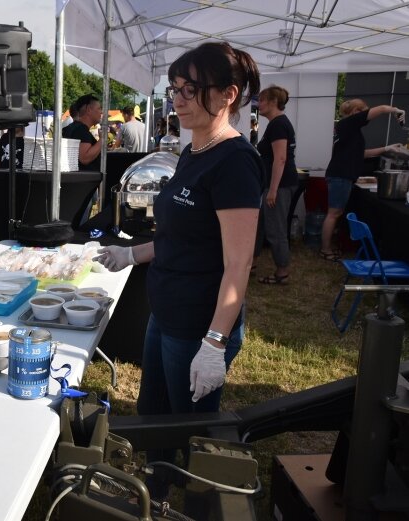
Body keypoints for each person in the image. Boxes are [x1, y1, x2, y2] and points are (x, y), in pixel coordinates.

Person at [94, 41, 262, 496]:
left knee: (189, 430)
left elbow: (238, 263)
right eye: (175, 89)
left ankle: (193, 497)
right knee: (155, 417)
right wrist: (133, 254)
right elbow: (177, 239)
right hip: (164, 312)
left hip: (198, 324)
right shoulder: (191, 153)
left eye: (191, 89)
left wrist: (214, 343)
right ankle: (157, 489)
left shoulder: (236, 162)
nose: (179, 99)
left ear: (228, 94)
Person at [319, 99, 405, 261]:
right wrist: (395, 110)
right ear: (355, 112)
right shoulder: (350, 123)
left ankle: (328, 247)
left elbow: (362, 153)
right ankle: (325, 249)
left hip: (341, 174)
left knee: (336, 213)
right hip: (341, 175)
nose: (367, 117)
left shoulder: (348, 128)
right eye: (363, 112)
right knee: (333, 213)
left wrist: (387, 148)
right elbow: (379, 108)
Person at [254, 85, 297, 285]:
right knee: (261, 226)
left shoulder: (279, 124)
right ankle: (250, 263)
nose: (258, 104)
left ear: (273, 102)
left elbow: (280, 159)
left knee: (275, 229)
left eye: (262, 100)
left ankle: (282, 272)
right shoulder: (275, 124)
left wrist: (272, 190)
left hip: (279, 186)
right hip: (273, 185)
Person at [62, 94, 103, 171]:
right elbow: (84, 158)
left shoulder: (72, 127)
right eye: (99, 108)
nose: (101, 112)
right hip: (84, 180)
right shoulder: (81, 130)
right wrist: (102, 140)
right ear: (88, 110)